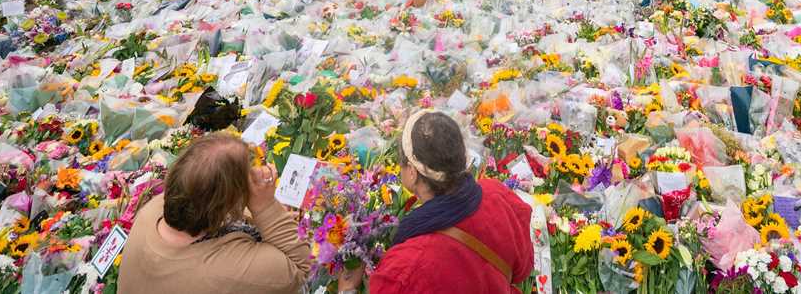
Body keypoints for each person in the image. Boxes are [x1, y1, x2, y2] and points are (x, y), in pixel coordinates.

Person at [338, 109, 534, 294]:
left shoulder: (406, 268)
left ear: (413, 172)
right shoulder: (496, 195)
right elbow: (522, 269)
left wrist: (347, 289)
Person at [118, 132, 311, 293]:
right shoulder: (228, 269)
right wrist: (266, 207)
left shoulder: (153, 210)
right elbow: (302, 267)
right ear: (228, 203)